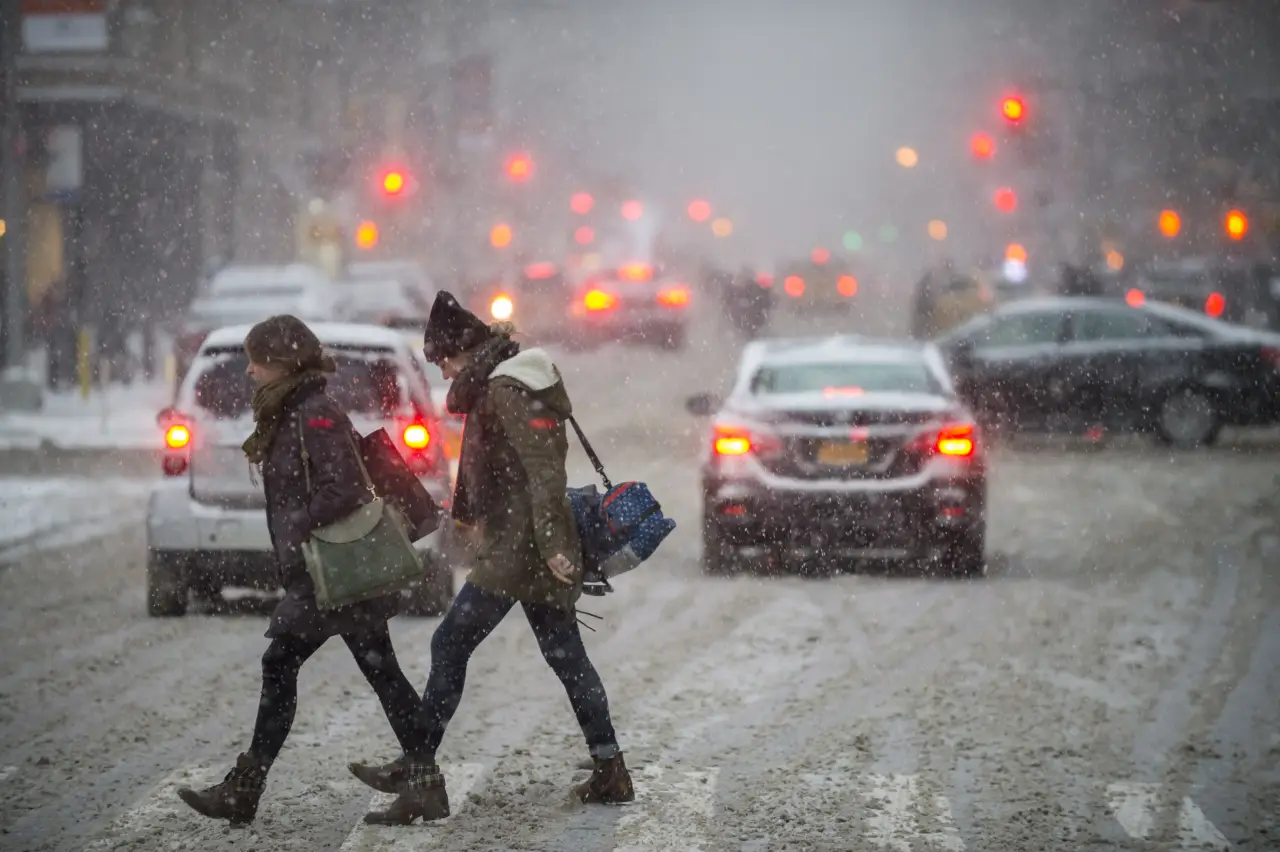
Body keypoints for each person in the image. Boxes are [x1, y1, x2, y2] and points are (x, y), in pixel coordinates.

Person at [349, 292, 633, 825]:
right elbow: (504, 474)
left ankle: (418, 773)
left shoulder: (507, 389)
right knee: (565, 657)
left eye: (442, 360)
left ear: (463, 349)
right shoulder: (498, 386)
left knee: (450, 641)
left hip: (523, 549)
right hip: (518, 542)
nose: (442, 371)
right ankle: (609, 767)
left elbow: (544, 472)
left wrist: (551, 545)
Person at [176, 315, 432, 827]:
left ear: (283, 362)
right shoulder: (292, 410)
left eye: (257, 359)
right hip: (325, 571)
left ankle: (244, 789)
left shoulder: (314, 414)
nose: (250, 370)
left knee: (283, 665)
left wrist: (297, 523)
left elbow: (347, 490)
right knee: (380, 671)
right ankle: (426, 783)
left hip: (331, 572)